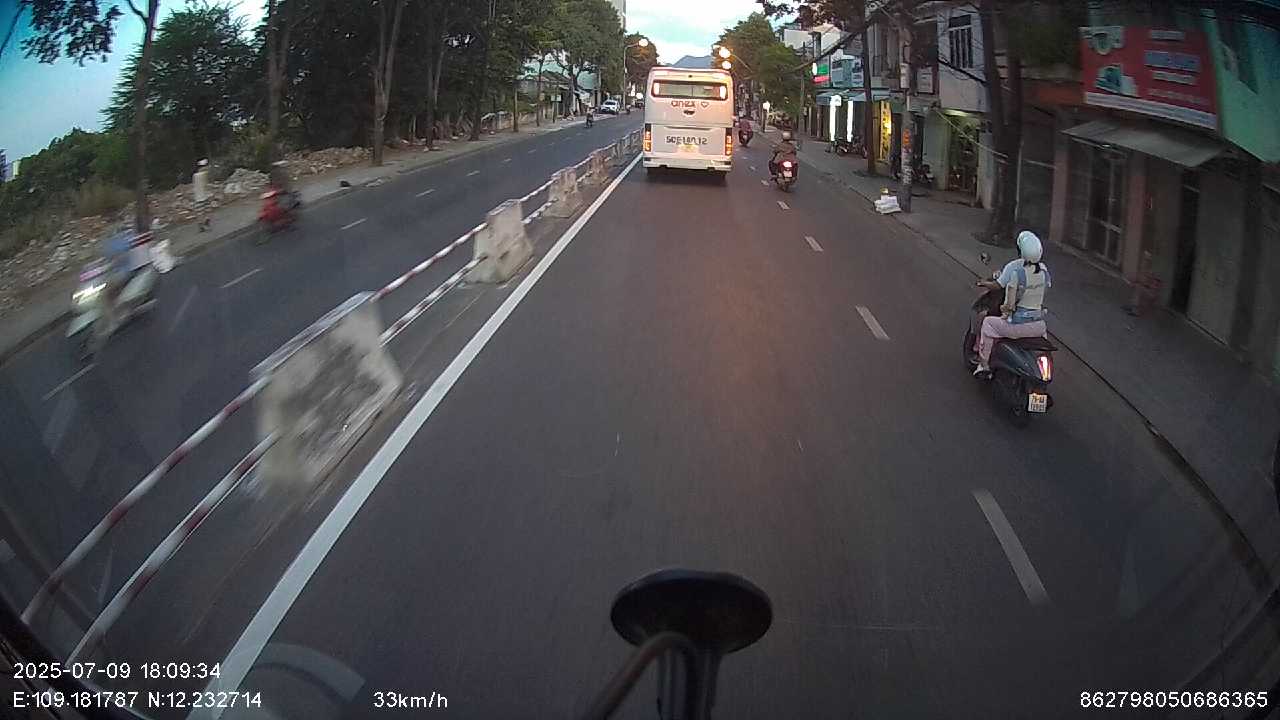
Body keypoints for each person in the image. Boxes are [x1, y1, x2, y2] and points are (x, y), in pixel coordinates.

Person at [973, 230, 1051, 376]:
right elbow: (1045, 289)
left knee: (988, 323)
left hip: (1018, 324)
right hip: (1039, 325)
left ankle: (984, 365)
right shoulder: (1044, 271)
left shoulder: (1017, 273)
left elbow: (1009, 304)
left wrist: (1005, 312)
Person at [192, 158, 211, 232]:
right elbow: (206, 184)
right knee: (207, 210)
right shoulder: (204, 174)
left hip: (197, 196)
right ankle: (206, 223)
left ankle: (201, 226)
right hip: (204, 196)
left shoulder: (194, 175)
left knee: (200, 212)